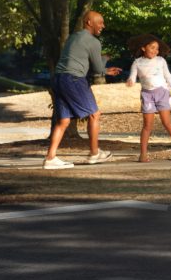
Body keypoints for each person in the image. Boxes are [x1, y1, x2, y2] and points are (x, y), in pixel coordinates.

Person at [42, 9, 119, 167]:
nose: (103, 26)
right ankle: (94, 153)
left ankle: (50, 158)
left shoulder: (73, 37)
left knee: (63, 121)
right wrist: (104, 63)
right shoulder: (93, 42)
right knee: (94, 115)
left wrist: (104, 68)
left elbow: (78, 60)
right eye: (100, 22)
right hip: (74, 79)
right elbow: (97, 69)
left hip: (58, 79)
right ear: (89, 22)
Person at [130, 37, 171, 162]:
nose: (155, 51)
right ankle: (143, 154)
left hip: (162, 92)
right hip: (147, 95)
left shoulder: (161, 60)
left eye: (157, 49)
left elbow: (168, 75)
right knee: (147, 126)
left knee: (166, 122)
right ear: (143, 48)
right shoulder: (137, 62)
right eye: (152, 47)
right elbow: (132, 76)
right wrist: (130, 81)